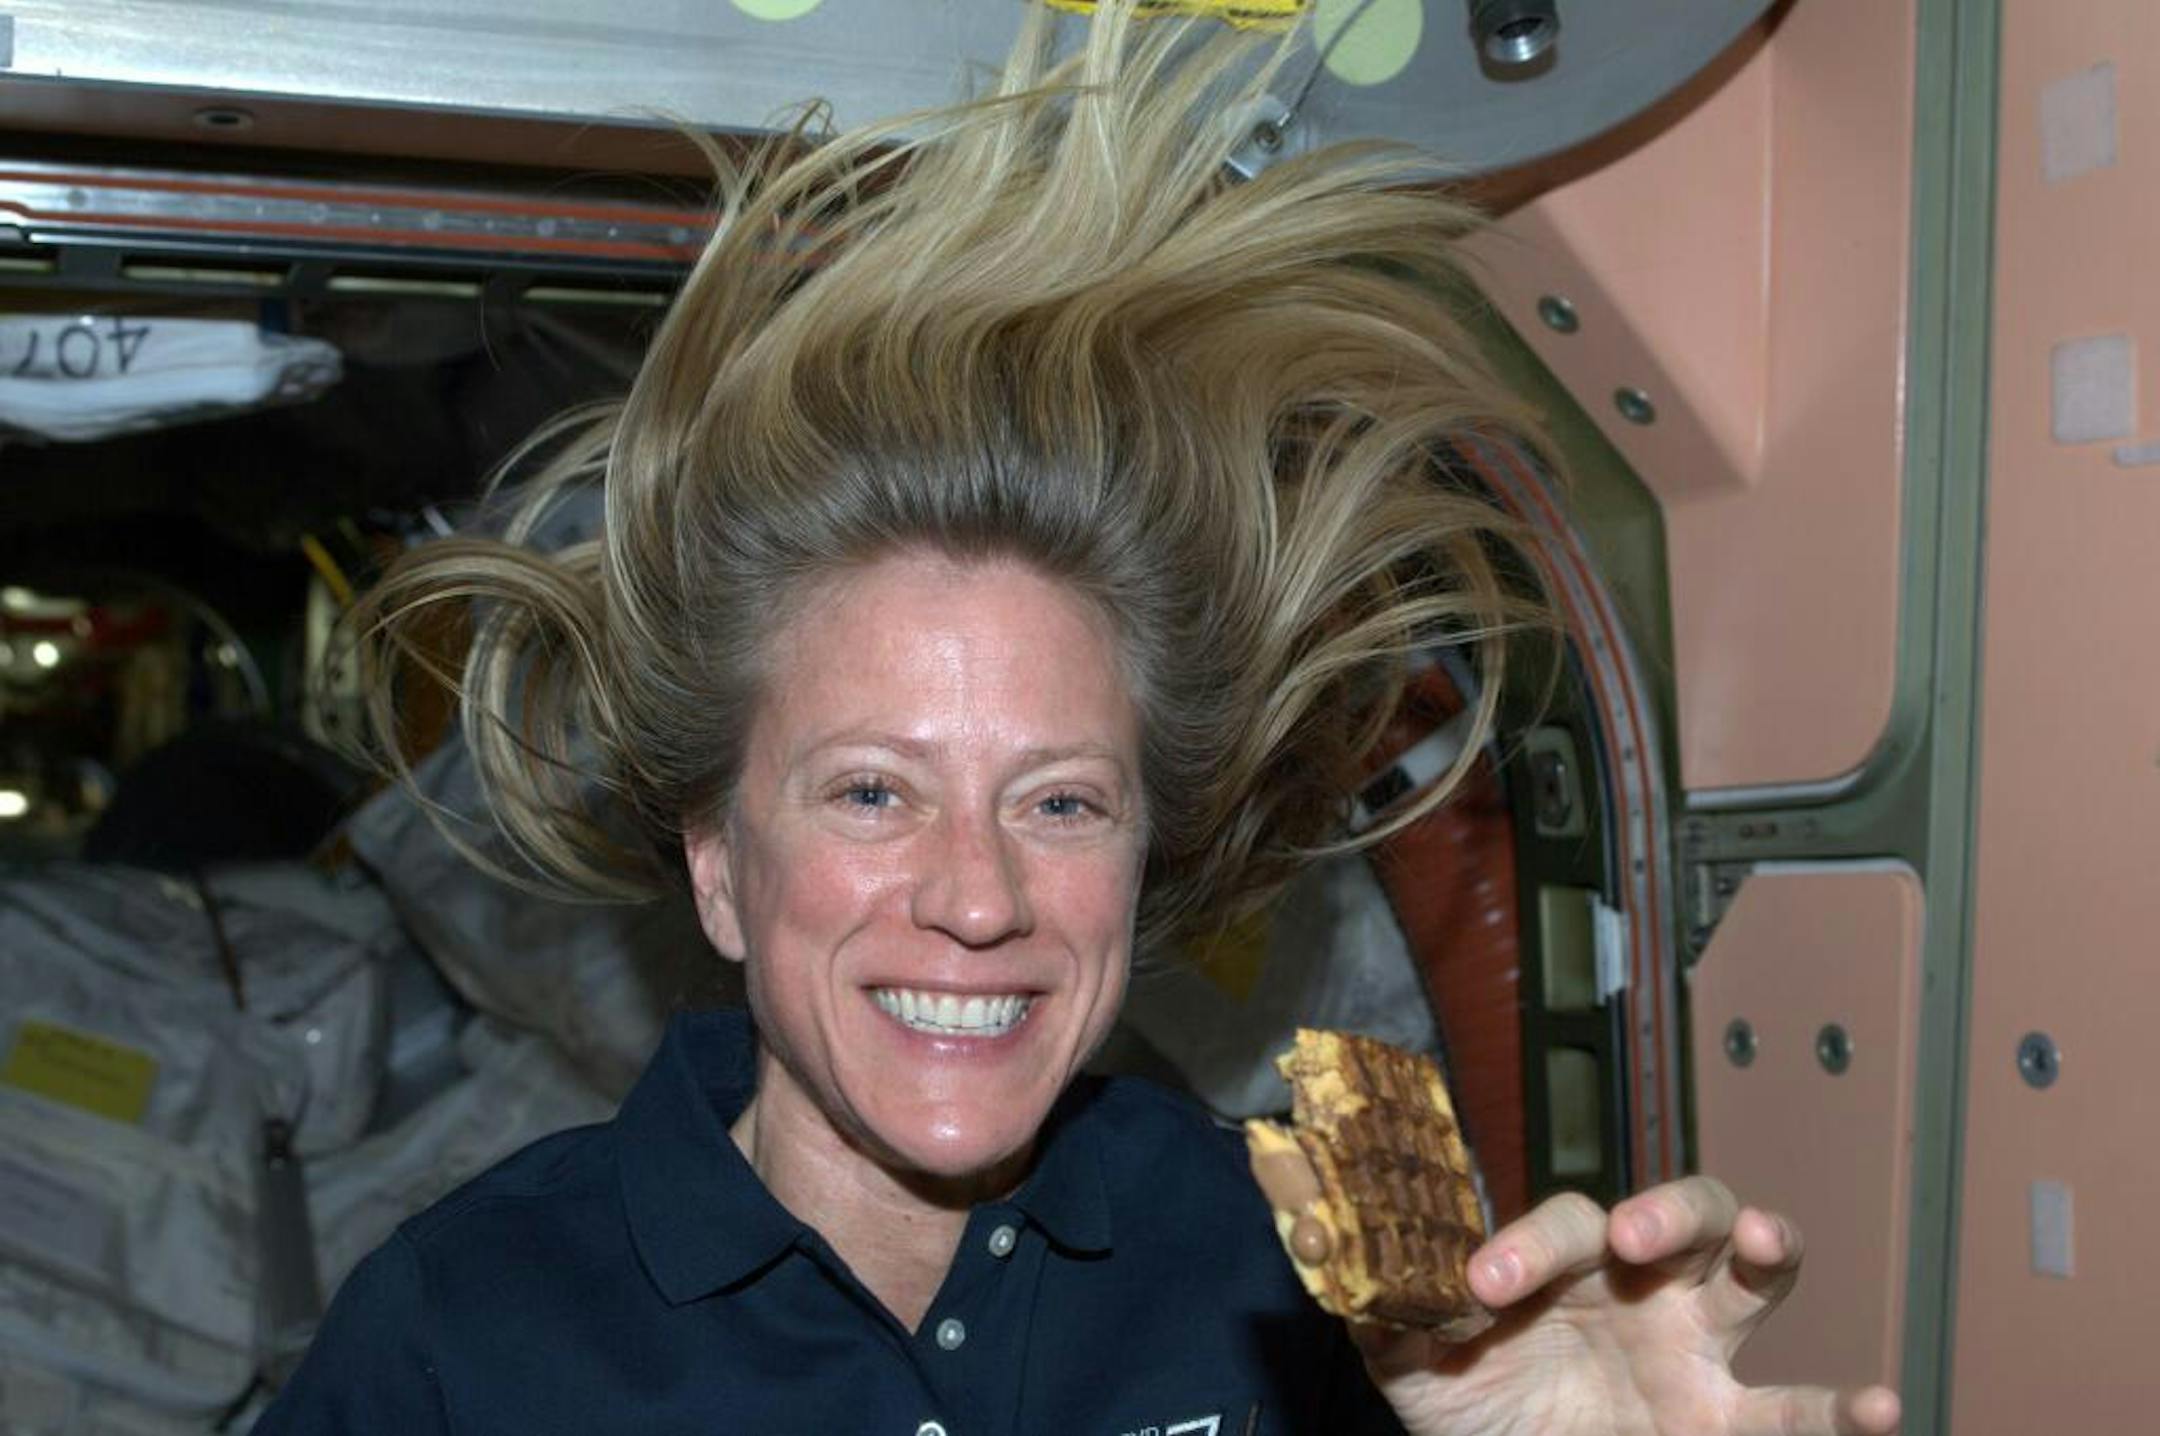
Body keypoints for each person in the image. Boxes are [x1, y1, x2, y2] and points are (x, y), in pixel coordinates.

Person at [259, 4, 1903, 1432]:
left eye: (1060, 803)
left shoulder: (1300, 1288)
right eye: (872, 794)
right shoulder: (460, 1342)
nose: (981, 899)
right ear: (716, 862)